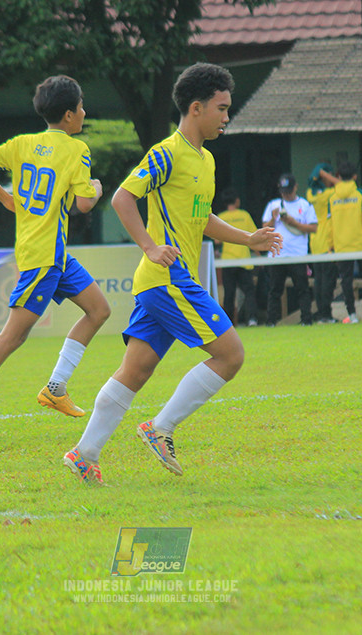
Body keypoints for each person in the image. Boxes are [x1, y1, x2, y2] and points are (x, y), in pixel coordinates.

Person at [62, 62, 281, 484]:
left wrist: (247, 238)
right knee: (231, 354)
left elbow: (202, 219)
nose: (226, 116)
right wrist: (149, 245)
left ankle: (84, 454)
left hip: (160, 283)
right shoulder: (167, 152)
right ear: (196, 108)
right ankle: (160, 428)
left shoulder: (206, 160)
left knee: (135, 371)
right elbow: (124, 198)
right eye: (222, 107)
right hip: (167, 279)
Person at [0, 75, 111, 441]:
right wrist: (97, 187)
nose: (84, 113)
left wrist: (3, 195)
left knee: (99, 310)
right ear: (67, 115)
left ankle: (56, 388)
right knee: (13, 336)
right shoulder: (77, 150)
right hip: (43, 257)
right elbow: (83, 204)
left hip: (52, 254)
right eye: (80, 107)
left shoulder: (21, 144)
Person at [262, 173, 317, 326]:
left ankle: (306, 319)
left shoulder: (305, 205)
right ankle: (271, 321)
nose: (285, 194)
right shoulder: (273, 205)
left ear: (295, 188)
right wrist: (274, 219)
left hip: (298, 255)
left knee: (302, 288)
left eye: (288, 191)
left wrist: (293, 223)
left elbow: (313, 227)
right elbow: (264, 229)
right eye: (283, 191)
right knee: (274, 290)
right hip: (276, 254)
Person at [326, 161, 362, 323]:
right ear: (355, 176)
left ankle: (352, 315)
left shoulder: (332, 198)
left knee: (346, 280)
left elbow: (329, 225)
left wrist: (331, 244)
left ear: (338, 177)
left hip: (341, 245)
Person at [215, 191, 259, 326]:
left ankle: (228, 324)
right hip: (243, 260)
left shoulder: (220, 217)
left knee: (229, 293)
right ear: (237, 201)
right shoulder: (244, 215)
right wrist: (258, 254)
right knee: (249, 291)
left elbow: (217, 241)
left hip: (228, 261)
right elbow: (254, 236)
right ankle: (252, 319)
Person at [304, 163, 337, 323]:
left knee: (319, 280)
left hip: (315, 241)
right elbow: (342, 185)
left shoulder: (310, 193)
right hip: (326, 242)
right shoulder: (329, 194)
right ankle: (326, 314)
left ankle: (322, 313)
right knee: (327, 281)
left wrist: (319, 173)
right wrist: (325, 174)